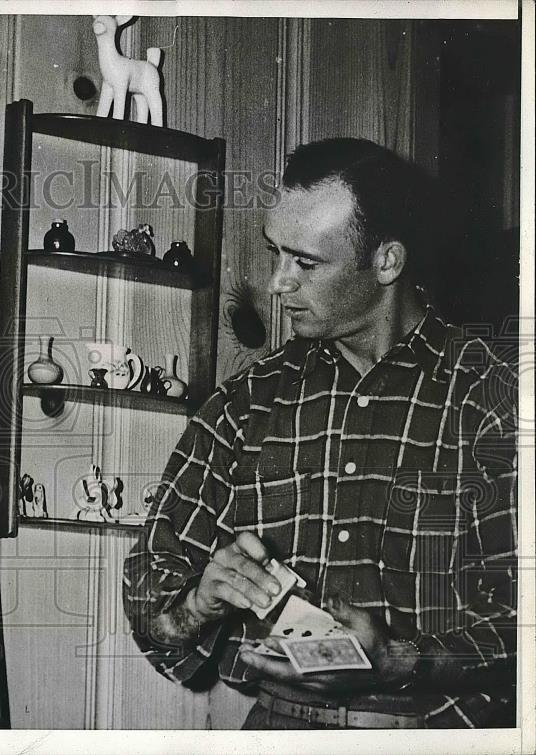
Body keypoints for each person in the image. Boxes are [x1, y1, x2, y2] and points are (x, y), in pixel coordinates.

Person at [123, 138, 518, 729]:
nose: (279, 283)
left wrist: (399, 660)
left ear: (387, 262)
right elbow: (151, 598)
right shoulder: (245, 404)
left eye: (306, 263)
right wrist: (199, 603)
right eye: (275, 253)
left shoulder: (495, 400)